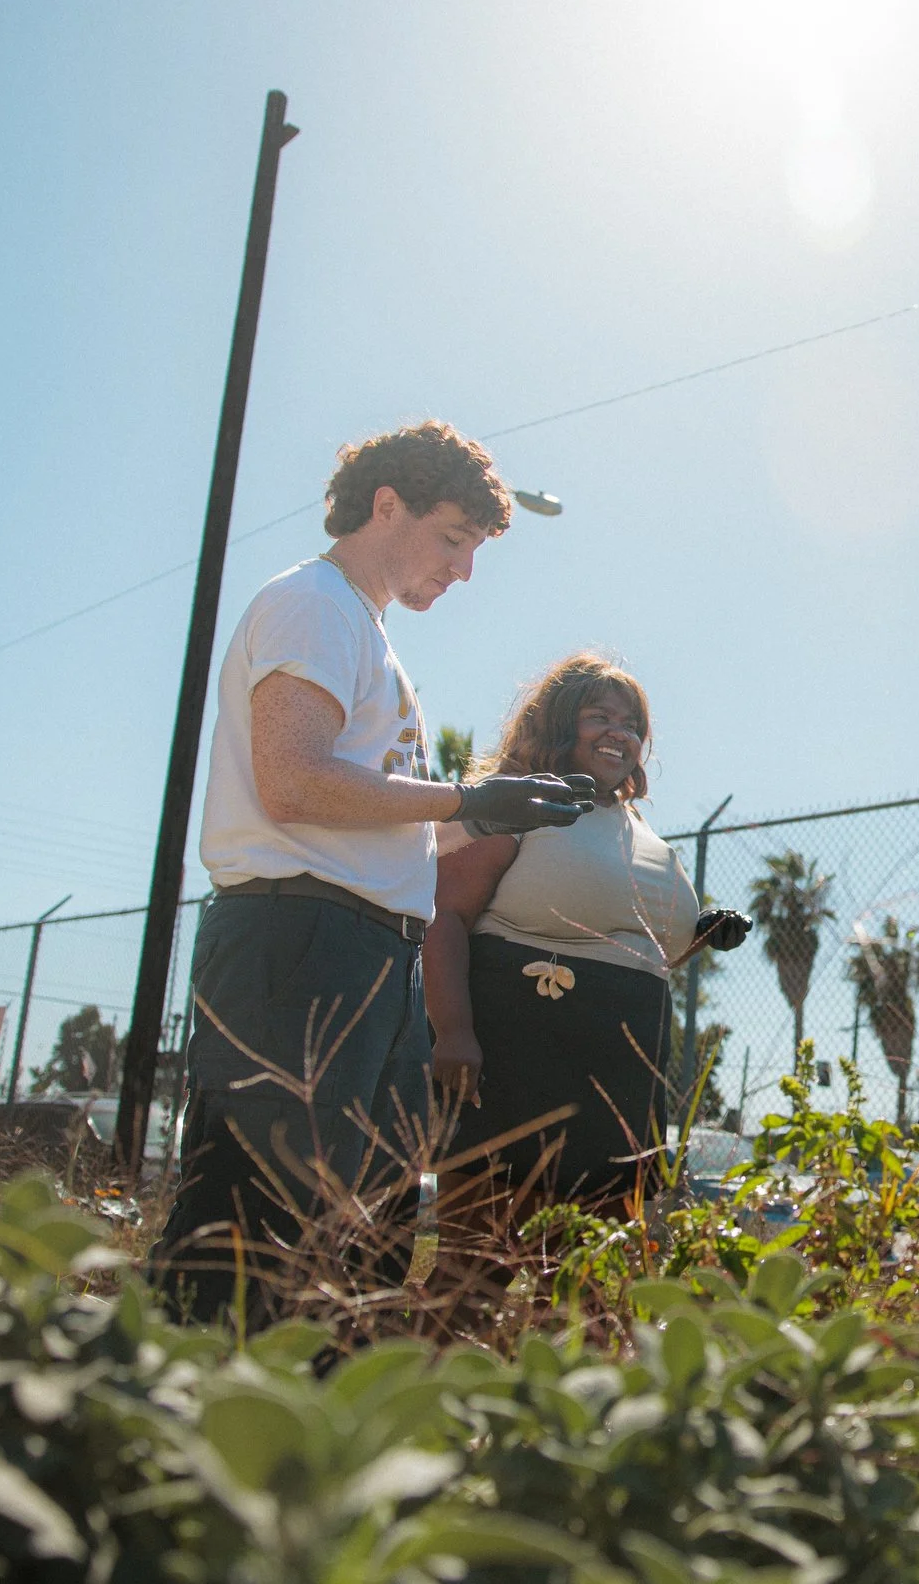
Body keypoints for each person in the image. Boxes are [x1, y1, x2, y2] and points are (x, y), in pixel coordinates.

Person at [148, 421, 592, 1329]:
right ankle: (169, 1394)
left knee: (359, 1233)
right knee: (253, 1221)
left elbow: (375, 821)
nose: (464, 570)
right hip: (299, 943)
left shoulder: (368, 633)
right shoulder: (312, 603)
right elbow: (293, 779)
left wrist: (493, 815)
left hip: (371, 958)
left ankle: (304, 1398)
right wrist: (463, 796)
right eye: (453, 538)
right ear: (386, 504)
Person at [427, 653, 749, 1296]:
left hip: (620, 1083)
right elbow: (445, 915)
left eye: (631, 725)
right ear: (557, 722)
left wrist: (700, 935)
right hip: (519, 1065)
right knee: (475, 1273)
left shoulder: (638, 830)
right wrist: (453, 1033)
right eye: (598, 716)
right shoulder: (520, 801)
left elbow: (632, 948)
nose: (618, 734)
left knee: (593, 1285)